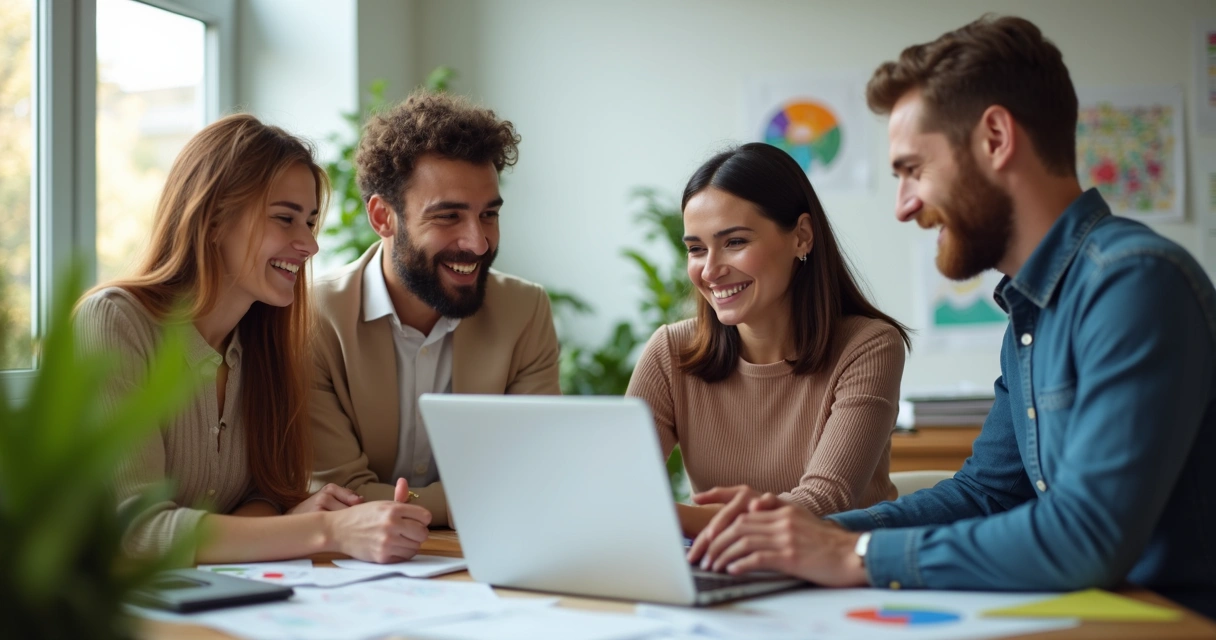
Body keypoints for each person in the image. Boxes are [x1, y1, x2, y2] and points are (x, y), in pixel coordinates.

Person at [693, 15, 1216, 614]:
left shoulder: (1134, 282)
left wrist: (853, 555)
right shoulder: (1033, 311)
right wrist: (805, 532)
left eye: (913, 170)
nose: (903, 205)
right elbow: (988, 493)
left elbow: (1085, 536)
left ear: (995, 138)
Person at [76, 114, 432, 564]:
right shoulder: (114, 322)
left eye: (310, 222)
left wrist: (293, 521)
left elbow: (263, 497)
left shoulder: (264, 346)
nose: (309, 245)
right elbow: (136, 531)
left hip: (219, 597)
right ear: (213, 219)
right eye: (285, 218)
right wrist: (324, 530)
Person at [627, 142, 910, 541]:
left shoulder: (869, 346)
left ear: (802, 237)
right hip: (718, 568)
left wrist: (658, 515)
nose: (710, 270)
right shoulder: (670, 351)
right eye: (696, 249)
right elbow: (619, 485)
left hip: (835, 569)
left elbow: (823, 502)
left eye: (735, 242)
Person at [310, 90, 560, 528]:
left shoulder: (525, 311)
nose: (478, 243)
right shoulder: (314, 317)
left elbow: (530, 476)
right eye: (448, 217)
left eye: (489, 215)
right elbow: (338, 491)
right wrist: (479, 500)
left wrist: (398, 506)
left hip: (480, 556)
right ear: (383, 217)